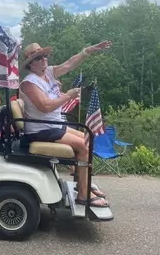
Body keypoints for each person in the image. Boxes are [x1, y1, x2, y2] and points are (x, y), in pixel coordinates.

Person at [18, 40, 113, 208]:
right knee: (82, 146)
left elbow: (69, 64)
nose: (44, 59)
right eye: (39, 57)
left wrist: (87, 51)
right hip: (40, 128)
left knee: (87, 139)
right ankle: (83, 195)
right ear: (31, 64)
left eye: (45, 55)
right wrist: (68, 95)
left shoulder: (48, 73)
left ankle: (81, 181)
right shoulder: (29, 83)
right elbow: (45, 106)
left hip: (52, 125)